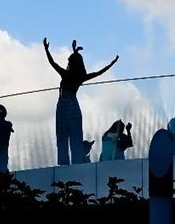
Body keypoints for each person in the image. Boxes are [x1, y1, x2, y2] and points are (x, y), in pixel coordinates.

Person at [44, 37, 119, 165]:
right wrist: (112, 63)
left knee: (64, 136)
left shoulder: (66, 74)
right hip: (70, 104)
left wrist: (46, 49)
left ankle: (66, 164)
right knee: (72, 136)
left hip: (63, 103)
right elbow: (98, 72)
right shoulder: (79, 76)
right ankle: (75, 163)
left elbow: (52, 63)